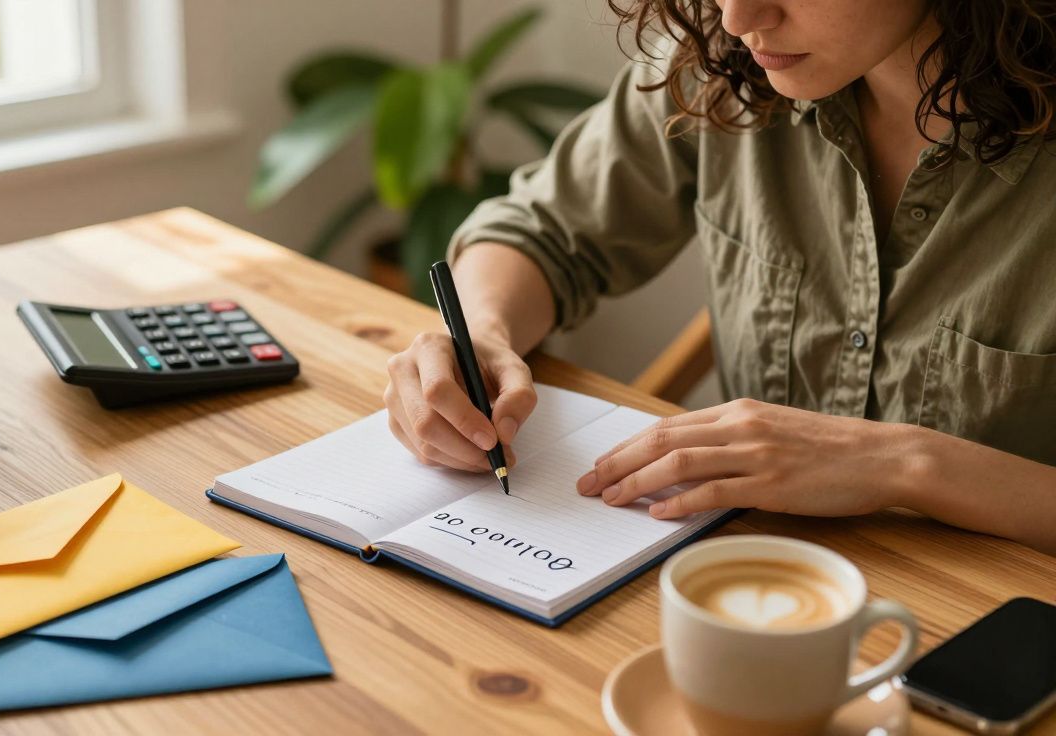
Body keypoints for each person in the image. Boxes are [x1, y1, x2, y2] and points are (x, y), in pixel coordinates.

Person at [382, 0, 1056, 554]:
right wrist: (483, 336)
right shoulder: (722, 65)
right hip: (739, 580)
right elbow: (544, 230)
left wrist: (907, 466)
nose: (737, 16)